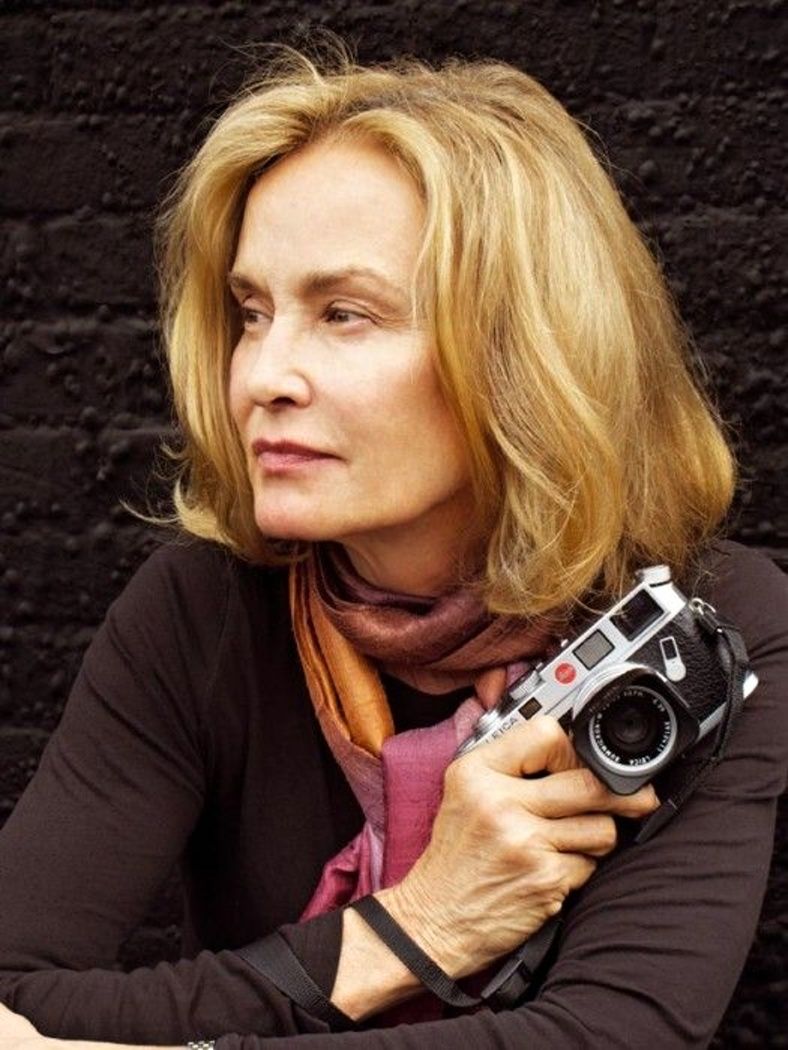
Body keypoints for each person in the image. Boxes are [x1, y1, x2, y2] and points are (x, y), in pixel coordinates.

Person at [1, 43, 786, 1050]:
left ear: (518, 354)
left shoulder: (709, 631)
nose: (263, 376)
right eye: (251, 313)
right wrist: (418, 927)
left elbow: (610, 1035)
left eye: (345, 314)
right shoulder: (202, 610)